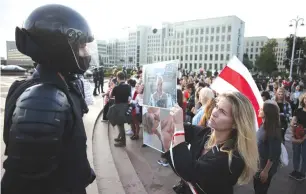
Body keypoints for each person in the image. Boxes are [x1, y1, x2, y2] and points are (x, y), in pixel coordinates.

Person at [2, 4, 96, 194]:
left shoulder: (62, 84)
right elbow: (27, 182)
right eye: (81, 46)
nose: (86, 53)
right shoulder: (44, 99)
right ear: (59, 47)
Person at [164, 91, 259, 194]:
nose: (214, 112)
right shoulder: (207, 134)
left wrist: (178, 126)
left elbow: (189, 172)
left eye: (222, 112)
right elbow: (184, 129)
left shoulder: (233, 157)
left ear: (236, 123)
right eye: (216, 106)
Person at [254, 100, 282, 194]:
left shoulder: (273, 131)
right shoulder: (263, 125)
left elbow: (274, 154)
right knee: (257, 188)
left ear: (267, 113)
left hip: (264, 168)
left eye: (261, 109)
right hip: (258, 165)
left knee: (261, 190)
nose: (258, 110)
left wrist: (265, 171)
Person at [108, 71, 131, 147]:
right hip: (125, 106)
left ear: (118, 78)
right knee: (120, 123)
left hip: (118, 107)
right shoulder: (128, 86)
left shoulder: (116, 87)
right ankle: (120, 137)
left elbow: (111, 96)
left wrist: (113, 87)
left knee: (120, 125)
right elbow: (129, 96)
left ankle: (123, 142)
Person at [289, 93, 306, 181]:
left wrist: (303, 138)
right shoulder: (298, 110)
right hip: (297, 133)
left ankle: (303, 173)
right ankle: (295, 170)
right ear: (303, 100)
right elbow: (293, 122)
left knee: (304, 155)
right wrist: (292, 135)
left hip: (305, 134)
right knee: (296, 153)